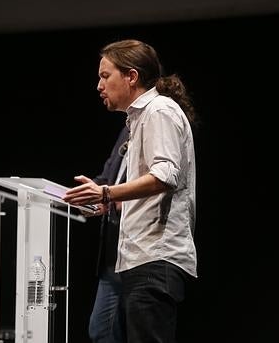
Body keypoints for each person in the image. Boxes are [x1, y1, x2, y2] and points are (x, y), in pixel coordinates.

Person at [63, 39, 197, 343]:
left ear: (131, 76)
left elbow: (165, 175)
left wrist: (107, 193)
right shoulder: (139, 119)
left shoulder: (159, 110)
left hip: (155, 258)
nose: (99, 85)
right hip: (138, 257)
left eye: (105, 76)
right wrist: (104, 200)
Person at [87, 125, 129, 343]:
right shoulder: (127, 128)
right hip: (113, 255)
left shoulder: (159, 119)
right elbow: (107, 179)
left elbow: (163, 183)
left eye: (104, 85)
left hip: (141, 252)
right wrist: (87, 195)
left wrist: (113, 198)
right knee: (101, 330)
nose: (100, 88)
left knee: (145, 332)